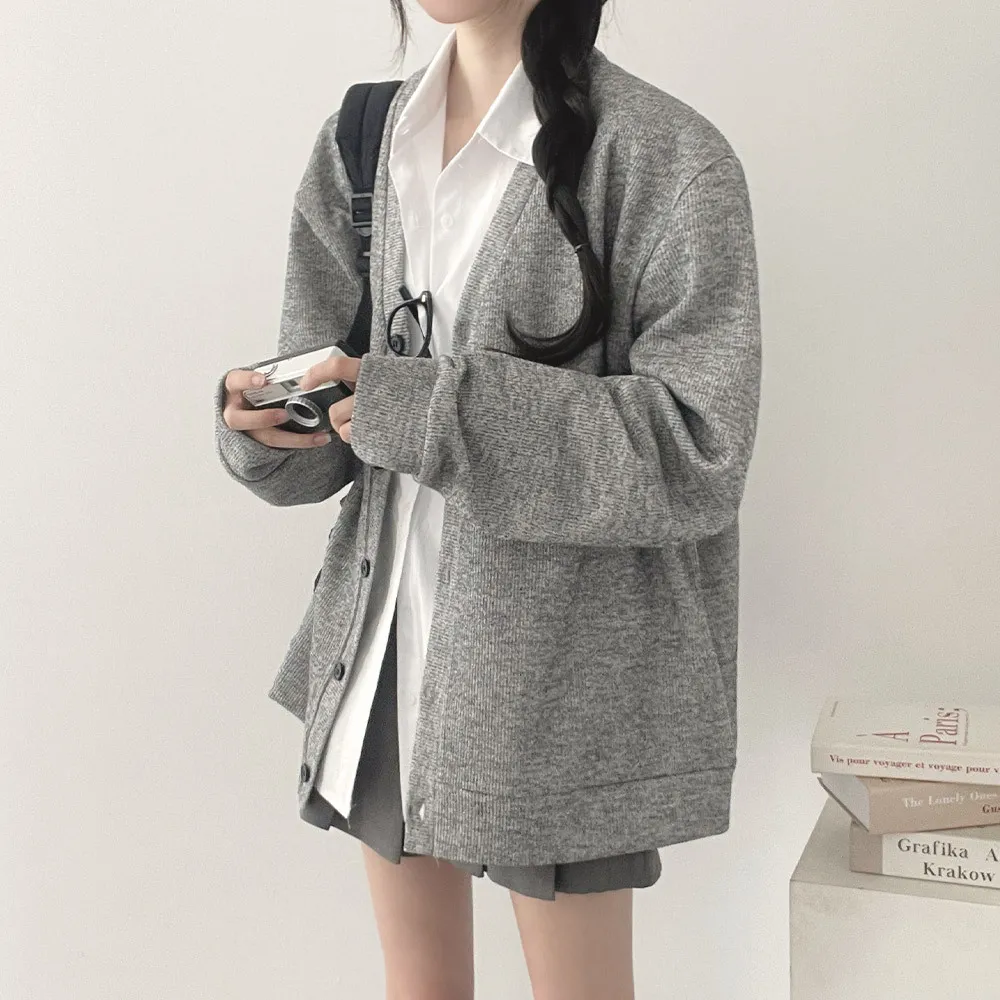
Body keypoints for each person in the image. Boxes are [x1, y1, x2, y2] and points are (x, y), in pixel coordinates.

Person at [214, 1, 761, 997]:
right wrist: (267, 424)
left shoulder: (667, 159)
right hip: (382, 646)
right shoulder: (361, 143)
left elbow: (697, 452)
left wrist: (425, 408)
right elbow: (338, 426)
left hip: (563, 680)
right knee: (418, 984)